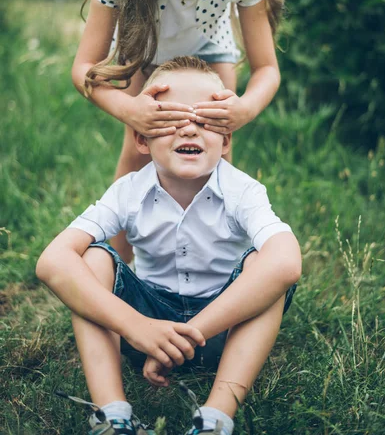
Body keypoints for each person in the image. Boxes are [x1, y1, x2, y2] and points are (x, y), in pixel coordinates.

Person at [37, 57, 301, 435]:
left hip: (223, 328)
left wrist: (191, 332)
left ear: (226, 139)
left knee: (268, 263)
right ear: (141, 137)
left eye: (205, 121)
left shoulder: (243, 191)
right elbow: (52, 262)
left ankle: (214, 418)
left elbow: (288, 264)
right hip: (144, 328)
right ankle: (113, 415)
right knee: (93, 258)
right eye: (171, 121)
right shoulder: (128, 191)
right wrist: (139, 327)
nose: (188, 131)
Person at [72, 0, 286, 261]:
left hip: (210, 54)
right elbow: (84, 67)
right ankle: (118, 272)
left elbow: (267, 69)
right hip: (142, 52)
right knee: (136, 163)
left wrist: (242, 109)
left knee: (211, 171)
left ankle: (210, 270)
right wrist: (129, 110)